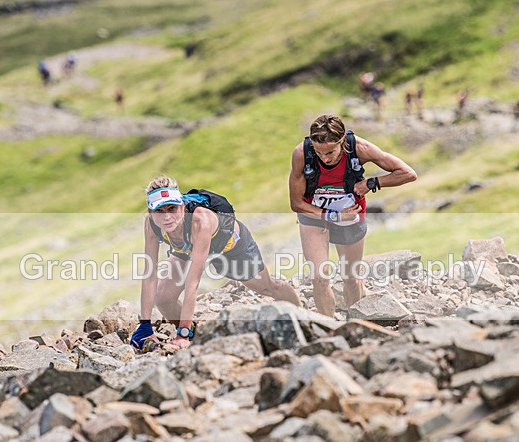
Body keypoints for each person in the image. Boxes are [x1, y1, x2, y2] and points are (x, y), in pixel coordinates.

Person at [130, 177, 301, 349]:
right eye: (159, 211)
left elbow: (192, 283)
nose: (167, 217)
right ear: (151, 212)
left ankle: (303, 319)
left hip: (230, 248)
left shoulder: (200, 221)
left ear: (182, 205)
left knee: (267, 287)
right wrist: (145, 325)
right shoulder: (151, 224)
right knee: (164, 298)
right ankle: (196, 333)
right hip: (187, 248)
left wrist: (182, 333)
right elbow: (149, 275)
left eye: (172, 208)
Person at [288, 114, 417, 317]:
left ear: (342, 142)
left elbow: (408, 173)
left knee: (350, 277)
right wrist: (334, 216)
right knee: (319, 278)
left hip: (352, 214)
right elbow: (296, 204)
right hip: (314, 215)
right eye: (319, 152)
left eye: (330, 151)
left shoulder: (360, 148)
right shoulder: (302, 154)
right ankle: (328, 327)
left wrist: (371, 183)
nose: (325, 158)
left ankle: (356, 323)